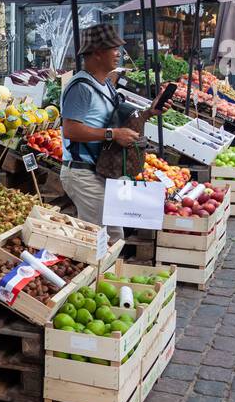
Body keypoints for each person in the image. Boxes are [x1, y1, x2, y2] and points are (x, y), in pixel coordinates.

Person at [59, 24, 162, 243]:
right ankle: (94, 277)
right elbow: (70, 130)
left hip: (102, 172)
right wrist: (112, 135)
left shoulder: (106, 84)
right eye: (113, 49)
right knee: (102, 238)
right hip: (83, 173)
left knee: (113, 236)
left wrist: (148, 113)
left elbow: (116, 119)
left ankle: (105, 276)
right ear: (96, 53)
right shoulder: (81, 88)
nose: (119, 54)